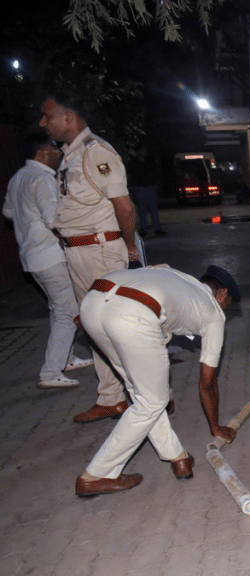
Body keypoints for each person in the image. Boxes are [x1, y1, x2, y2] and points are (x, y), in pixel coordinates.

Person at [74, 264, 240, 497]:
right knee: (152, 402)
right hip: (133, 316)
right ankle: (96, 475)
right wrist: (215, 426)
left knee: (143, 394)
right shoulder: (214, 314)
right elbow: (207, 383)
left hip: (93, 301)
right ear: (222, 294)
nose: (226, 309)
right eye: (228, 303)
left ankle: (178, 457)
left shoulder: (179, 274)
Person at [39, 92, 142, 424]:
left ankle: (151, 396)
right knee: (94, 327)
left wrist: (129, 247)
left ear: (68, 118)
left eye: (47, 116)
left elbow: (124, 207)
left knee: (116, 328)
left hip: (101, 251)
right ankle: (111, 398)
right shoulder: (70, 156)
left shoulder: (97, 152)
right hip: (78, 252)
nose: (43, 123)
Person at [3, 132, 93, 389]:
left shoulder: (18, 177)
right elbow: (54, 219)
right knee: (69, 311)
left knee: (58, 308)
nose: (58, 154)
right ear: (41, 153)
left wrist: (27, 221)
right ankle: (51, 372)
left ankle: (66, 358)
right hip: (49, 255)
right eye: (54, 151)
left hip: (32, 256)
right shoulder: (42, 179)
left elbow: (8, 213)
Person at [127, 143, 165, 237]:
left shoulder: (149, 161)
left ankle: (157, 228)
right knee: (142, 210)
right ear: (138, 151)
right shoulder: (133, 162)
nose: (144, 152)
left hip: (150, 187)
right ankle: (143, 229)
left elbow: (155, 172)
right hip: (139, 188)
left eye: (145, 150)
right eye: (142, 150)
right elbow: (131, 175)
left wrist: (155, 183)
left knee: (153, 209)